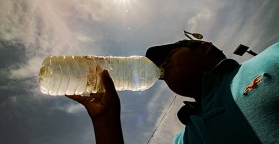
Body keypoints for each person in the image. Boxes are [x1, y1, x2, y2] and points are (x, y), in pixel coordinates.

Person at [67, 39, 279, 144]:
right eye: (160, 67)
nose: (163, 66)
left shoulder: (271, 58)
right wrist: (106, 122)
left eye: (170, 55)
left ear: (204, 47)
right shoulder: (186, 137)